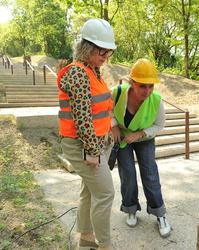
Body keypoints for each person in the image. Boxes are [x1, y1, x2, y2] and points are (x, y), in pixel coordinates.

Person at [57, 18, 116, 250]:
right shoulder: (78, 74)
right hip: (82, 146)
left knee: (90, 192)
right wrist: (92, 152)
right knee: (106, 193)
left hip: (96, 143)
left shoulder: (93, 71)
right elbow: (82, 119)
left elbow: (98, 109)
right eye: (102, 50)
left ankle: (86, 239)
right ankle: (105, 245)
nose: (106, 55)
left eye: (108, 51)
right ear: (87, 47)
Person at [111, 58, 171, 238]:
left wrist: (139, 134)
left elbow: (159, 125)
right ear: (132, 83)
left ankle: (160, 214)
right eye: (142, 86)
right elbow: (107, 111)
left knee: (150, 173)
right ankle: (130, 208)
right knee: (127, 173)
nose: (147, 91)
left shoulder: (157, 101)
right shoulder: (116, 93)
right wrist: (113, 125)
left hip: (144, 136)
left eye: (151, 86)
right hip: (122, 137)